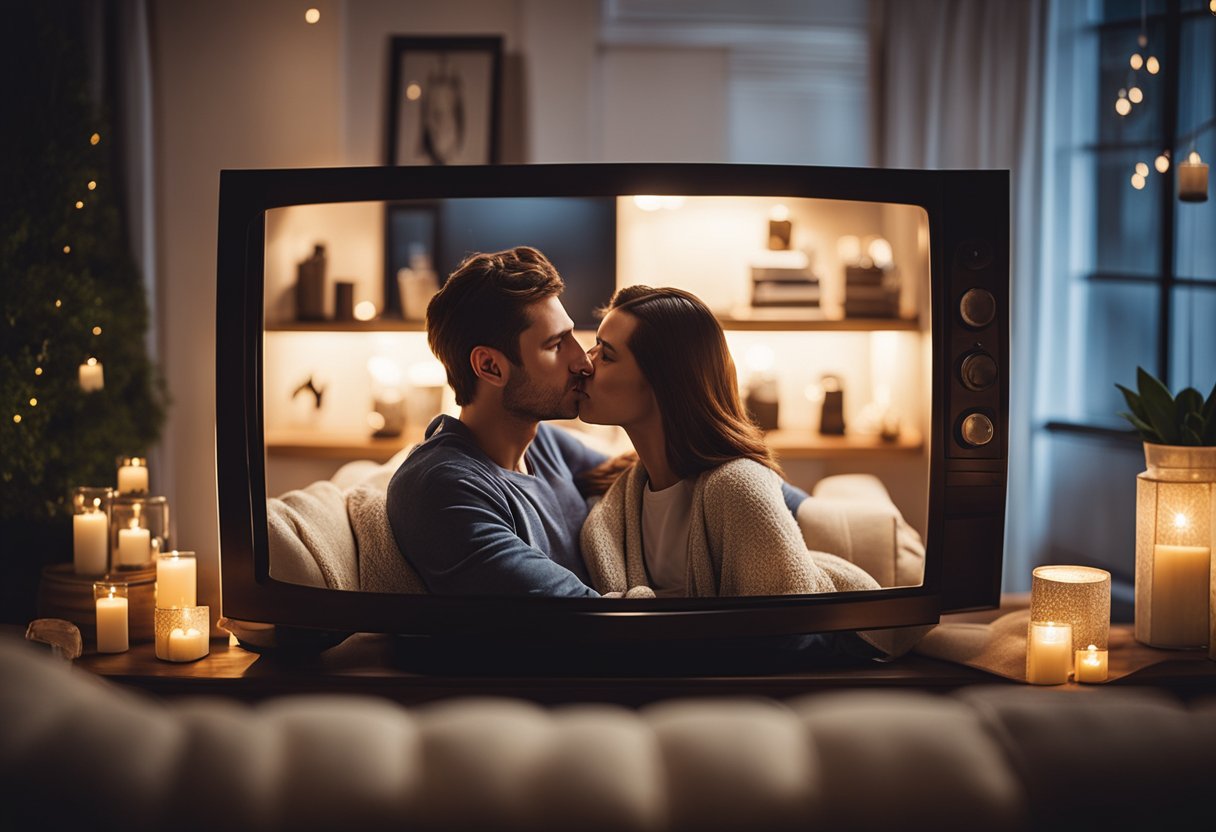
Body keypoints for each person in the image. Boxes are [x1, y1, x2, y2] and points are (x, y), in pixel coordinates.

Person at [385, 247, 811, 598]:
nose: (580, 361)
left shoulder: (543, 445)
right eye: (555, 345)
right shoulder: (444, 488)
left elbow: (679, 464)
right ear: (491, 367)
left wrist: (795, 507)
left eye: (576, 336)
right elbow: (578, 618)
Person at [579, 285, 883, 599]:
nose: (586, 364)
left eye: (606, 355)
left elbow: (785, 627)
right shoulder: (626, 493)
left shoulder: (738, 487)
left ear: (664, 382)